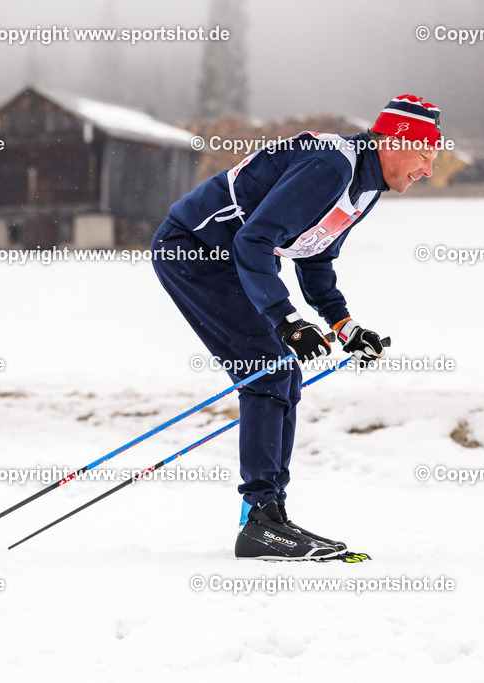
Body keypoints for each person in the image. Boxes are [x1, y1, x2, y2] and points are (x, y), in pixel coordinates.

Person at [151, 95, 441, 560]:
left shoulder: (364, 186)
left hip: (233, 260)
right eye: (425, 156)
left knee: (281, 373)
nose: (428, 170)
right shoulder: (332, 167)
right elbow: (254, 241)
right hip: (194, 251)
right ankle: (261, 520)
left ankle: (268, 517)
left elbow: (316, 254)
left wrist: (344, 326)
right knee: (269, 370)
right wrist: (287, 320)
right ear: (393, 142)